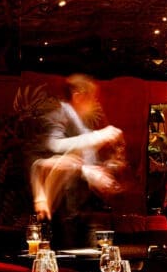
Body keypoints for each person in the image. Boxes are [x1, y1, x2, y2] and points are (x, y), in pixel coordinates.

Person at [30, 73, 125, 248]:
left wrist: (97, 174)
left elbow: (81, 164)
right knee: (69, 259)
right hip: (63, 211)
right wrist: (97, 136)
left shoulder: (81, 125)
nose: (95, 102)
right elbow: (54, 146)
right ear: (78, 96)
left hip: (83, 210)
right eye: (92, 97)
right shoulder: (59, 114)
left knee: (93, 257)